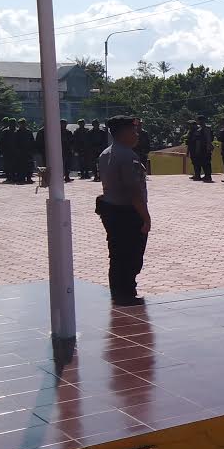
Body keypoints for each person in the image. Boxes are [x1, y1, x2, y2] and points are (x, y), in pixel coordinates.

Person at [97, 116, 151, 307]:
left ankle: (119, 292)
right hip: (127, 212)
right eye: (133, 131)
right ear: (124, 133)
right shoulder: (128, 156)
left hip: (111, 210)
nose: (136, 135)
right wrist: (146, 218)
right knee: (131, 254)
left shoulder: (105, 153)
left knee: (117, 253)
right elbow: (133, 191)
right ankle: (126, 293)